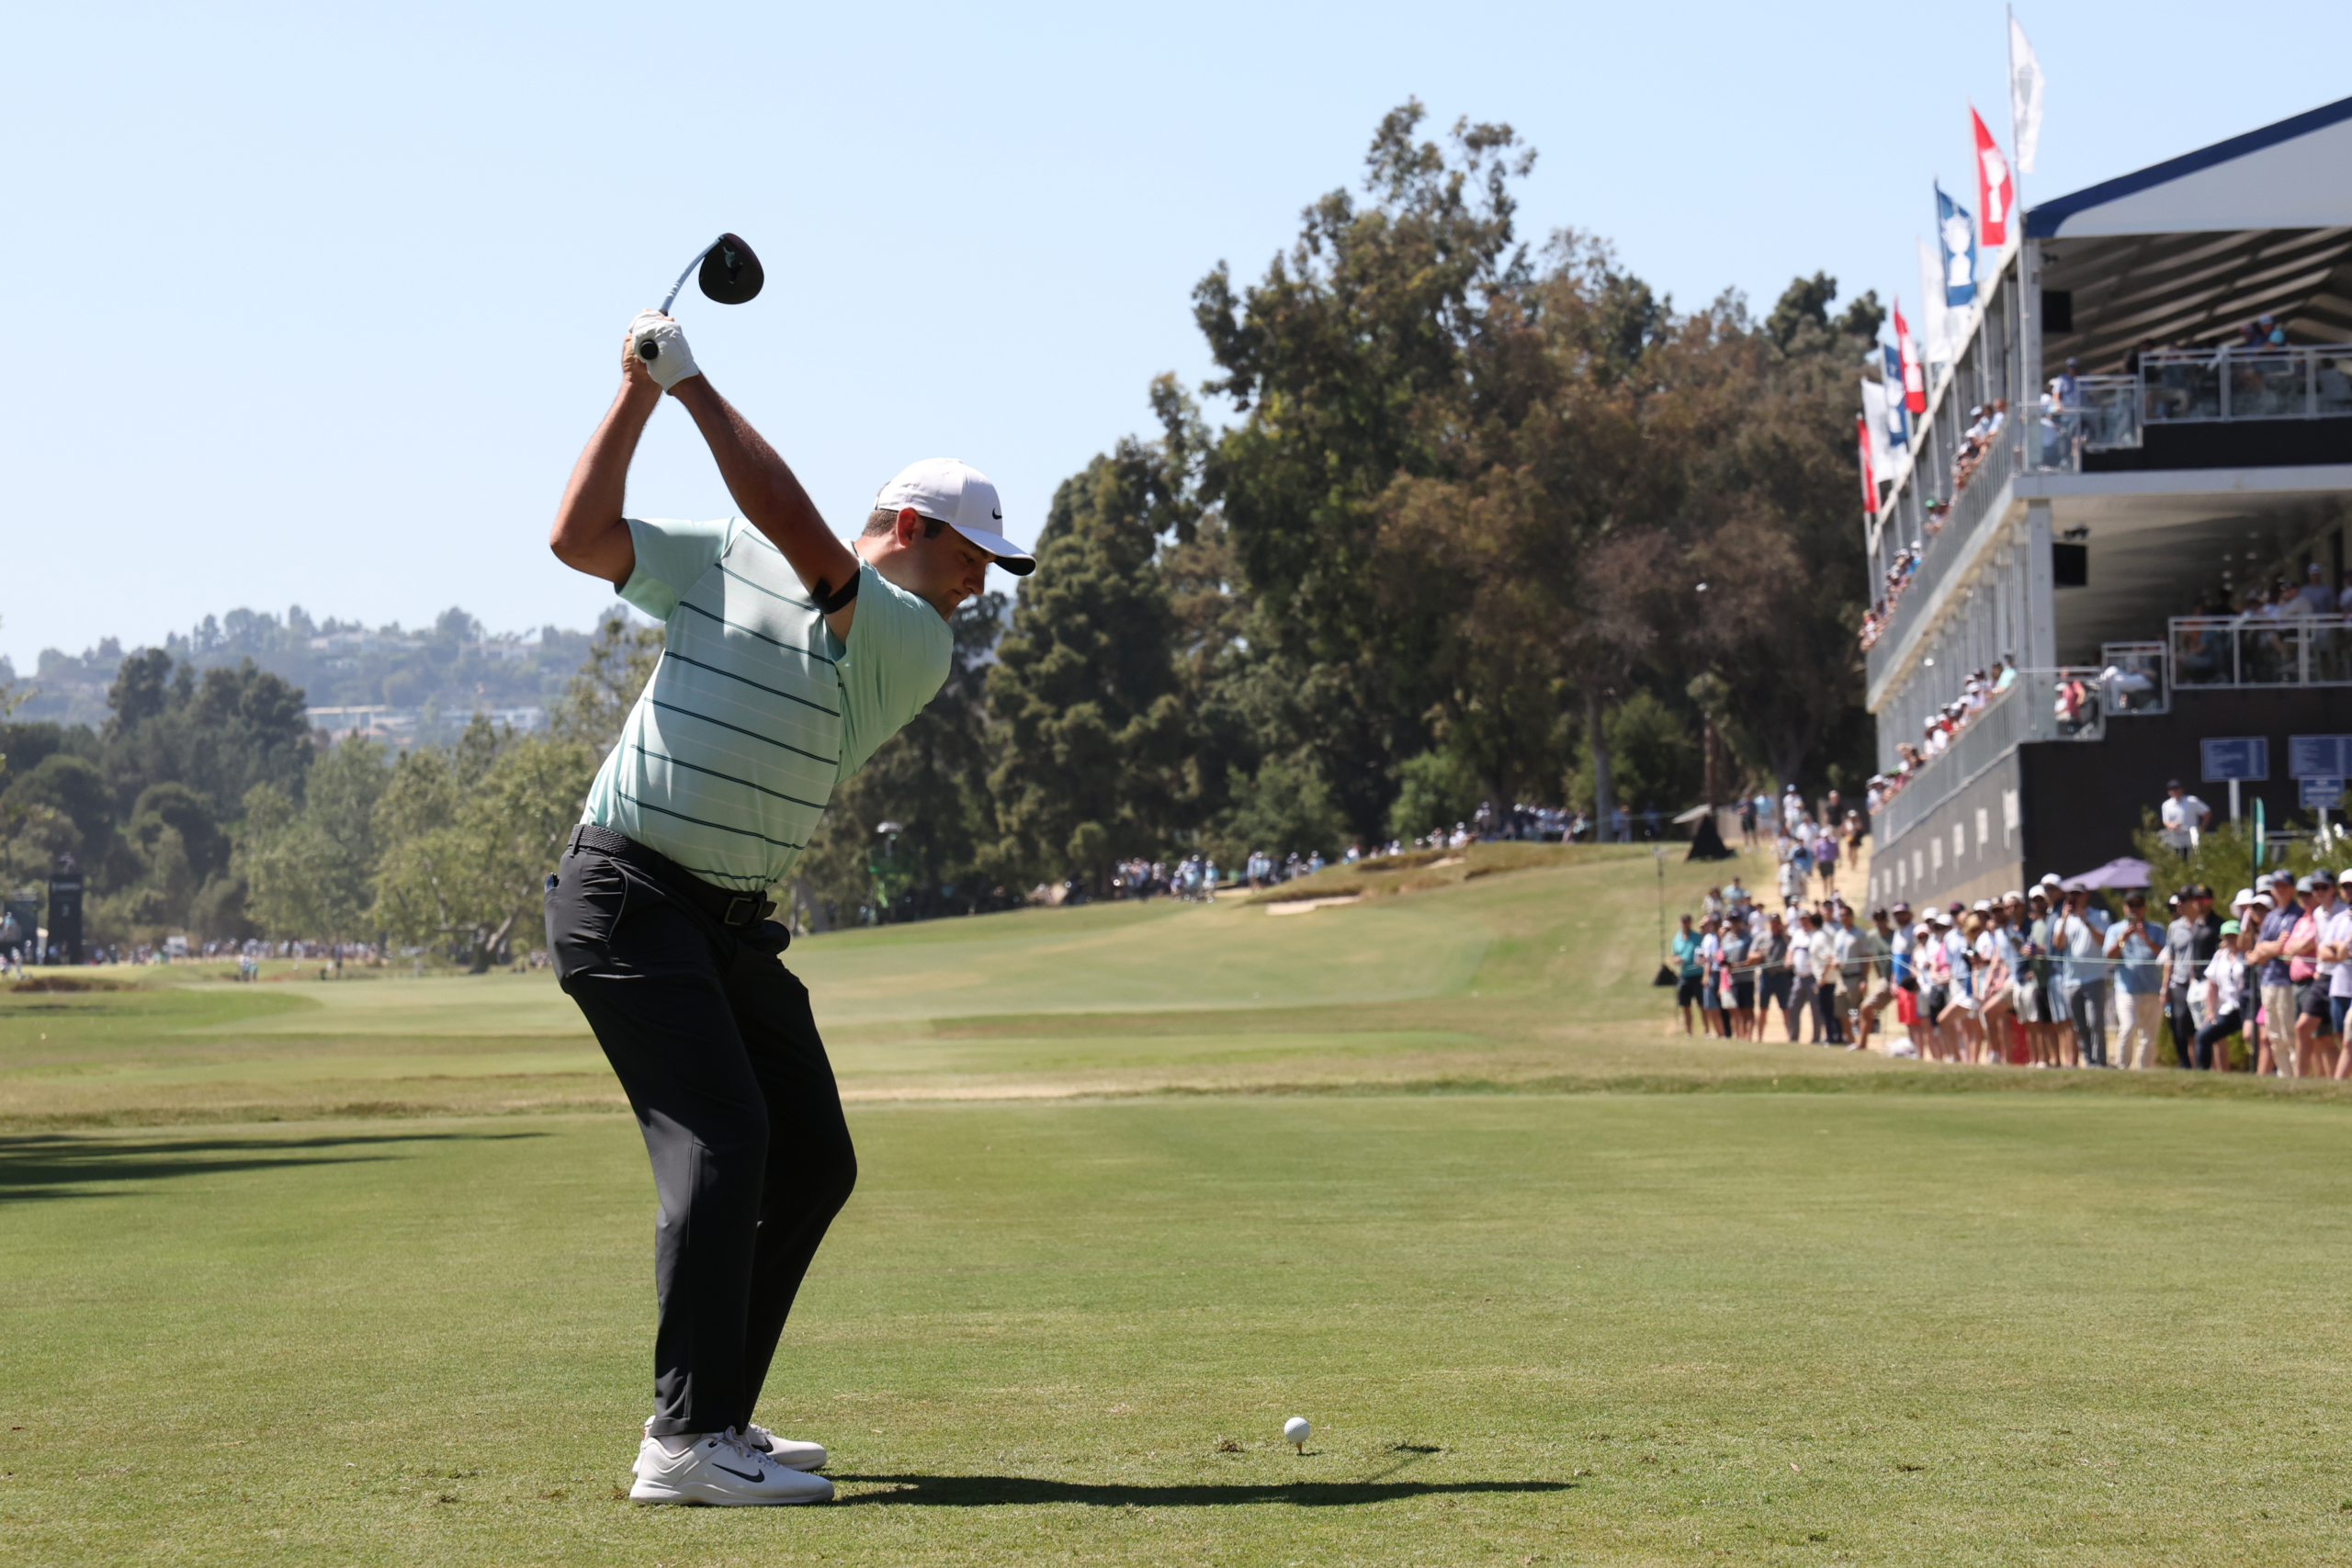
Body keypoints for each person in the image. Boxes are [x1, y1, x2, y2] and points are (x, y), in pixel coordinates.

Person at [544, 307, 1036, 1506]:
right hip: (627, 891)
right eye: (973, 559)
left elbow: (803, 536)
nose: (982, 590)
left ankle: (718, 1413)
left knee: (811, 1154)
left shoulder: (913, 641)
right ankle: (683, 1439)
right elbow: (578, 537)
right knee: (728, 1135)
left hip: (722, 920)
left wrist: (697, 385)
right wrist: (640, 395)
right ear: (912, 529)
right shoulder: (728, 552)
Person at [2104, 890, 2165, 1069]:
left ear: (2144, 908)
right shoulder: (2115, 930)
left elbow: (2165, 955)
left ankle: (2144, 1070)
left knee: (2149, 1035)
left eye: (2138, 905)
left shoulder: (2156, 929)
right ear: (2125, 908)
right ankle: (2123, 1068)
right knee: (2127, 1028)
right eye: (2131, 906)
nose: (2134, 910)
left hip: (2153, 989)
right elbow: (2109, 957)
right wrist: (2123, 938)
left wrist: (2146, 938)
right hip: (2126, 989)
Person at [2249, 875, 2303, 1077]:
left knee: (2289, 1033)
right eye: (2276, 886)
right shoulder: (2271, 917)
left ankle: (2296, 1077)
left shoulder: (2297, 914)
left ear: (2292, 888)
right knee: (2274, 1035)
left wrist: (2267, 948)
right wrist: (2270, 948)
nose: (2279, 889)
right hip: (2268, 980)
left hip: (2286, 980)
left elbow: (2285, 947)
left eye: (2284, 885)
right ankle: (2283, 1075)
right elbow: (2259, 952)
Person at [2161, 885, 2219, 1067]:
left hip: (2203, 983)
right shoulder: (2174, 927)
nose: (2181, 904)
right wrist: (2165, 988)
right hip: (2179, 983)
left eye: (2185, 900)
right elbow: (2169, 957)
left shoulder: (2206, 925)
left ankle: (2210, 1070)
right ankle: (2190, 1068)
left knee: (2205, 1028)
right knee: (2182, 1030)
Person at [2054, 886, 2112, 1067]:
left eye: (2077, 895)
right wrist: (2064, 919)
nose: (2074, 898)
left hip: (2094, 977)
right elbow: (2058, 943)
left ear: (2086, 896)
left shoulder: (2100, 916)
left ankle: (2100, 1061)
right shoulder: (2063, 920)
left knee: (2095, 1021)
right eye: (2071, 895)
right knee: (2080, 1025)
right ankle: (2089, 1060)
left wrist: (2086, 922)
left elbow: (2104, 941)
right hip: (2071, 980)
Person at [2198, 919, 2249, 1072]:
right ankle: (2202, 1074)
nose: (2231, 939)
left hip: (2246, 1006)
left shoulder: (2247, 955)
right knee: (2203, 1036)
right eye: (2227, 936)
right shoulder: (2220, 956)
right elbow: (2212, 983)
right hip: (2228, 1009)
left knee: (2254, 1039)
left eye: (2234, 935)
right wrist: (2210, 1010)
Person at [1671, 913, 1704, 1035]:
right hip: (1684, 975)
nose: (1685, 924)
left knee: (1702, 1004)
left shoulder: (1697, 937)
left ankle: (1706, 1031)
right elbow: (1674, 956)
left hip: (1697, 973)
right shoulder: (1677, 939)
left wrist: (1700, 960)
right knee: (1686, 1006)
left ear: (1690, 922)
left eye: (1687, 921)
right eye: (1683, 922)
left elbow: (1702, 953)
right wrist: (1677, 960)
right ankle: (1688, 1032)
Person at [2159, 781, 2210, 851]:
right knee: (2178, 856)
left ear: (2181, 789)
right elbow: (2166, 821)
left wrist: (2202, 828)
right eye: (2172, 789)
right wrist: (2172, 825)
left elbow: (2207, 813)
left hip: (2191, 835)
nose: (2175, 791)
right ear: (2169, 792)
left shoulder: (2191, 801)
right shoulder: (2166, 805)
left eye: (2177, 789)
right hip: (2176, 836)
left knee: (2194, 855)